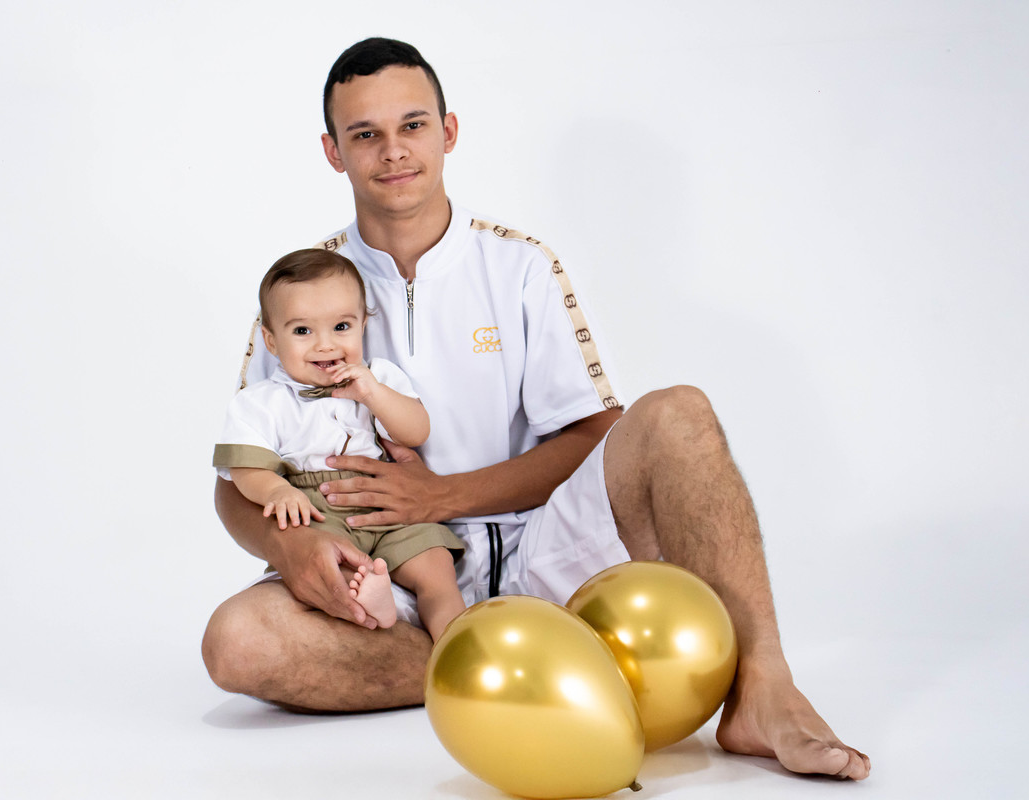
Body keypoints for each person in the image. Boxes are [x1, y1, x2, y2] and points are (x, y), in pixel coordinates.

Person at [202, 37, 871, 781]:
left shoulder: (519, 264)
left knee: (679, 413)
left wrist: (444, 496)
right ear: (334, 151)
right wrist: (292, 550)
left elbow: (595, 435)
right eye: (365, 134)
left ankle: (762, 688)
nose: (393, 151)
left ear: (448, 132)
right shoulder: (301, 291)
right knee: (237, 643)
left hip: (541, 552)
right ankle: (522, 656)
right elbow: (237, 480)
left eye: (413, 125)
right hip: (387, 579)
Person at [212, 248, 467, 642]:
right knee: (333, 572)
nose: (325, 345)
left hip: (389, 507)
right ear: (271, 341)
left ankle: (458, 643)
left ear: (363, 325)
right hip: (318, 511)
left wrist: (373, 394)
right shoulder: (261, 402)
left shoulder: (378, 377)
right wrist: (277, 491)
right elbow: (246, 468)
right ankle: (376, 603)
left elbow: (415, 432)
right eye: (302, 331)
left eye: (341, 327)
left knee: (436, 569)